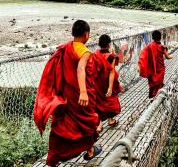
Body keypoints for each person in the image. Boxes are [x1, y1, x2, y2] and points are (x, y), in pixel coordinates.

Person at [33, 20, 102, 166]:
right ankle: (89, 151)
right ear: (86, 34)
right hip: (79, 96)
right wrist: (83, 92)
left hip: (66, 96)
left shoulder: (66, 48)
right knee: (88, 122)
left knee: (62, 125)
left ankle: (54, 157)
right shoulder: (84, 51)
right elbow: (80, 69)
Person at [92, 34, 123, 132]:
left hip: (97, 83)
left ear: (99, 44)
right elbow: (111, 71)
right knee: (111, 101)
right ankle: (110, 120)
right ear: (109, 44)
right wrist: (110, 87)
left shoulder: (95, 55)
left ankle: (99, 125)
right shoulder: (111, 56)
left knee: (98, 102)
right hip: (107, 82)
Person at [143, 30, 173, 98]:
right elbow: (167, 57)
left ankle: (151, 96)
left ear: (152, 37)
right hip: (160, 69)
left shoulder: (149, 46)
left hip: (151, 69)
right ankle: (157, 96)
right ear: (160, 37)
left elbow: (144, 55)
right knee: (159, 84)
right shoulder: (162, 47)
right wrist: (173, 56)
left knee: (152, 84)